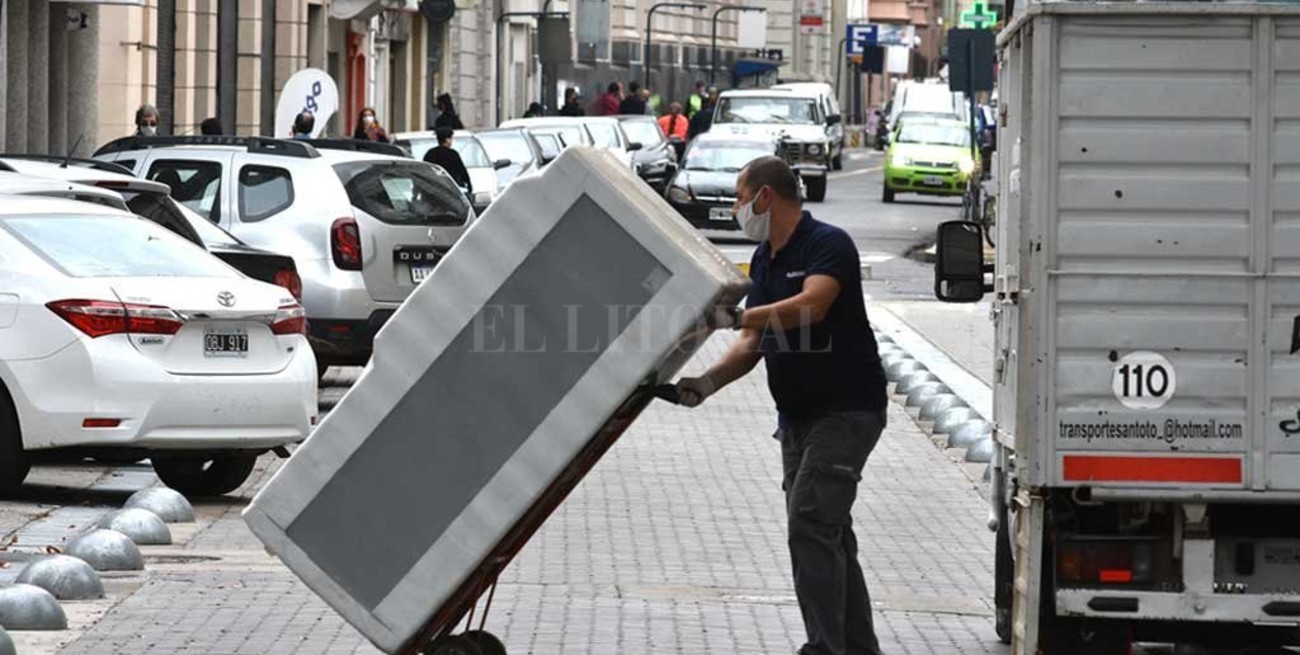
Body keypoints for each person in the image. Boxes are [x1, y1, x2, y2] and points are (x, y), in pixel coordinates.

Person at [671, 156, 888, 655]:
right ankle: (857, 648)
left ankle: (824, 649)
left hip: (847, 411)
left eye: (740, 197)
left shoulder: (827, 244)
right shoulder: (765, 261)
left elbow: (812, 306)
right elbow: (753, 340)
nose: (735, 208)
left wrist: (741, 315)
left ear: (766, 196)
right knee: (829, 532)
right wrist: (704, 383)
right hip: (796, 420)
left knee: (810, 521)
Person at [422, 127, 472, 195]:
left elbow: (424, 170)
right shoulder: (453, 154)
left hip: (433, 188)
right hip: (451, 188)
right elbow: (462, 170)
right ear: (447, 139)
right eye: (451, 138)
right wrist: (469, 185)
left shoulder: (430, 153)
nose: (452, 140)